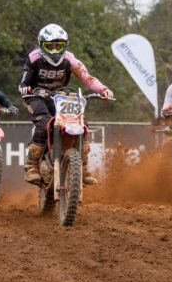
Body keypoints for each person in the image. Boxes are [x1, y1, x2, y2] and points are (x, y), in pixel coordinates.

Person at [18, 23, 114, 185]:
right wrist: (24, 88)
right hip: (35, 96)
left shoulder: (70, 59)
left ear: (65, 45)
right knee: (43, 122)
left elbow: (87, 78)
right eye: (50, 46)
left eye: (59, 46)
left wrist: (103, 89)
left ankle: (82, 168)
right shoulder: (34, 58)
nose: (55, 51)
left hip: (60, 96)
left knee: (82, 123)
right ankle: (31, 165)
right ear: (42, 45)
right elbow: (24, 82)